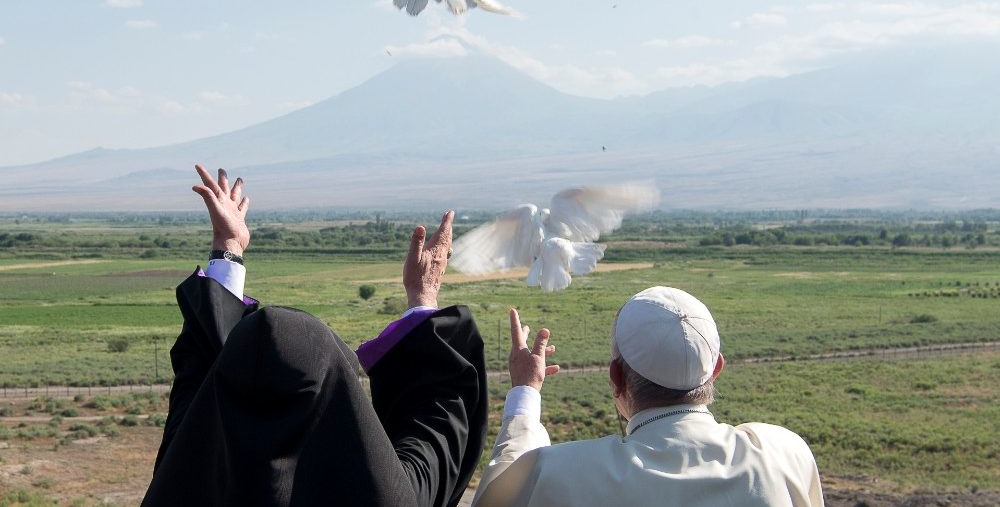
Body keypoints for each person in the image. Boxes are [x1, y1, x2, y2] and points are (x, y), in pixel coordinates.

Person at [143, 165, 487, 507]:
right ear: (332, 389)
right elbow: (432, 432)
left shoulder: (189, 476)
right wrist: (422, 297)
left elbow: (197, 378)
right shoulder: (379, 494)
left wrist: (228, 249)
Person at [473, 286, 825, 507]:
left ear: (616, 377)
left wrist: (525, 393)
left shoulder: (562, 473)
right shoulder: (782, 455)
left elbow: (496, 494)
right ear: (716, 368)